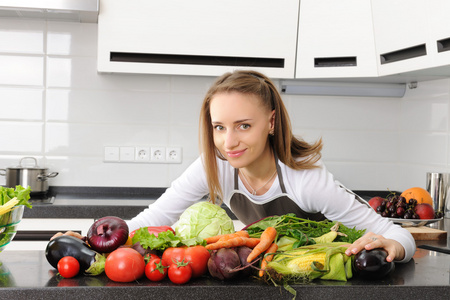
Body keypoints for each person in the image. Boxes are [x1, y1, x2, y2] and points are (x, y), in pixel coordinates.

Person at [126, 70, 415, 263]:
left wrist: (396, 248)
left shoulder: (307, 180)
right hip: (273, 274)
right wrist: (95, 238)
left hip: (324, 279)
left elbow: (397, 234)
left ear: (271, 123)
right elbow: (155, 218)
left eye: (244, 126)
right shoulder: (215, 165)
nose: (229, 142)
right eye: (219, 127)